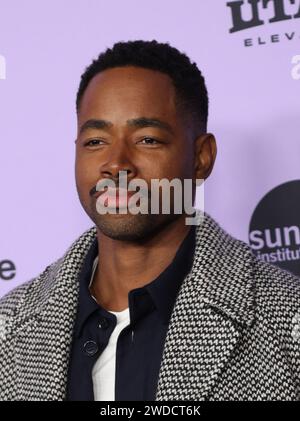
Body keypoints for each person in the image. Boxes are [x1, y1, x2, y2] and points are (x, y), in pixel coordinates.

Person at [0, 40, 299, 401]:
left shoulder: (286, 317)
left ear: (201, 157)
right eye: (95, 141)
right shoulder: (10, 326)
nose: (116, 164)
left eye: (147, 139)